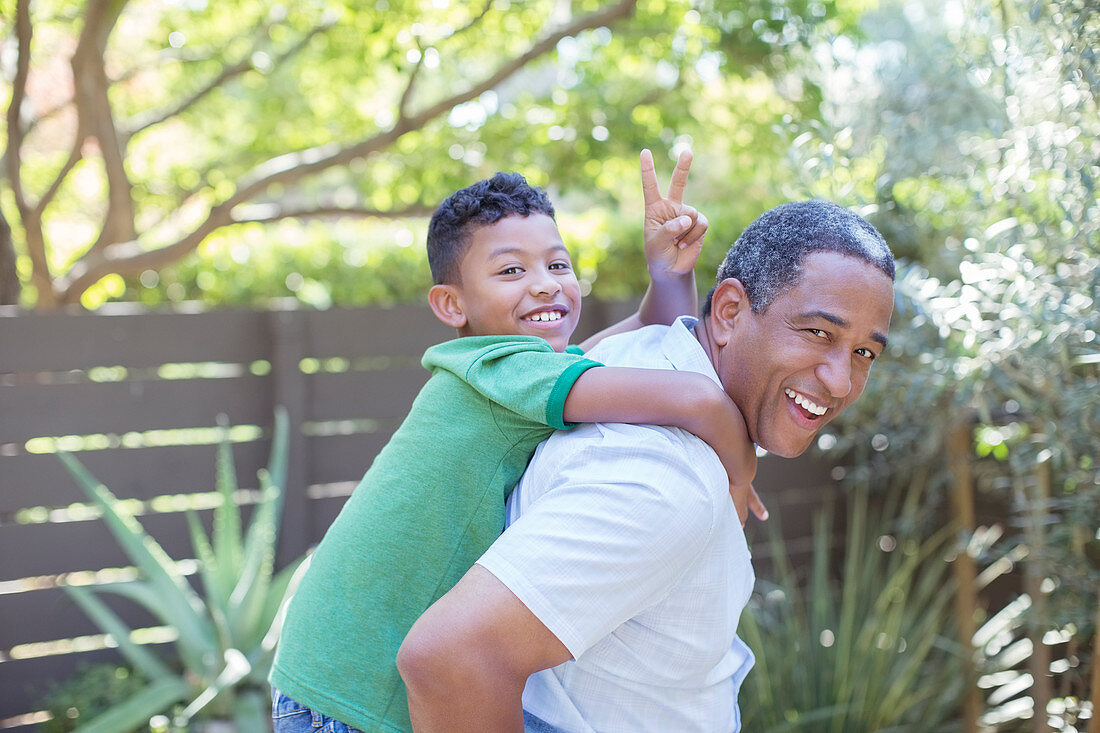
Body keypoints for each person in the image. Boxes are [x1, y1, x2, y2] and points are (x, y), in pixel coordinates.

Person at [268, 149, 763, 733]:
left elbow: (647, 340)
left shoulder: (505, 369)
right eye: (511, 271)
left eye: (558, 266)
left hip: (323, 675)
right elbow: (696, 398)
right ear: (452, 304)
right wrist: (739, 474)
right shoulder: (505, 371)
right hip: (348, 699)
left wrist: (669, 274)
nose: (545, 286)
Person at [397, 199, 897, 733]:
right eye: (818, 333)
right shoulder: (665, 478)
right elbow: (448, 659)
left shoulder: (635, 357)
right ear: (728, 312)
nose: (841, 382)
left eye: (864, 353)